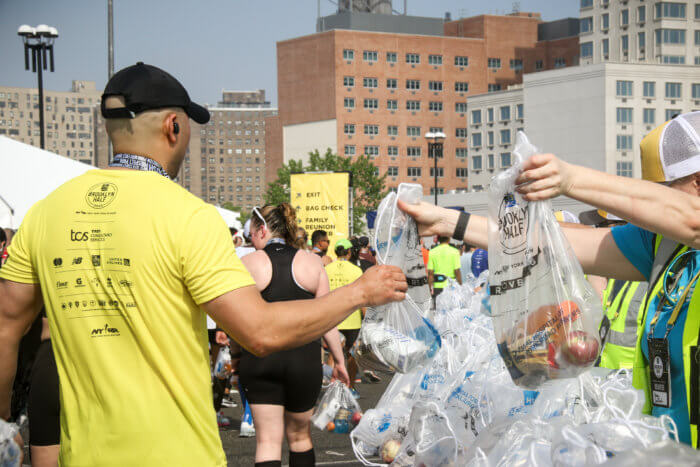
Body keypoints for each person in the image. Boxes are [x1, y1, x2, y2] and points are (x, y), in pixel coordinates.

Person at [0, 62, 407, 466]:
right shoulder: (188, 217)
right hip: (179, 455)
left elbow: (6, 331)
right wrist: (359, 292)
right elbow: (259, 332)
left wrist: (3, 427)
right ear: (173, 126)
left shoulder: (44, 214)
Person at [399, 111, 700, 446]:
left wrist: (570, 179)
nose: (650, 211)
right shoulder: (662, 244)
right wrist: (447, 221)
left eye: (662, 192)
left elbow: (691, 219)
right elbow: (554, 243)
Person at [236, 203, 349, 467]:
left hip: (261, 357)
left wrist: (234, 352)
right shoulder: (312, 262)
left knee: (267, 442)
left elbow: (235, 317)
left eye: (252, 233)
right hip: (304, 360)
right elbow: (327, 319)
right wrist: (340, 361)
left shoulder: (247, 263)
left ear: (262, 229)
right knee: (300, 437)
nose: (251, 240)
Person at [325, 239, 365, 396]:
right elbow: (362, 296)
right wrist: (365, 317)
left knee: (332, 354)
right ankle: (351, 388)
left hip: (332, 318)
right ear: (349, 252)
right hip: (352, 318)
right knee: (350, 353)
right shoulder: (356, 270)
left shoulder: (327, 269)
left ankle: (332, 388)